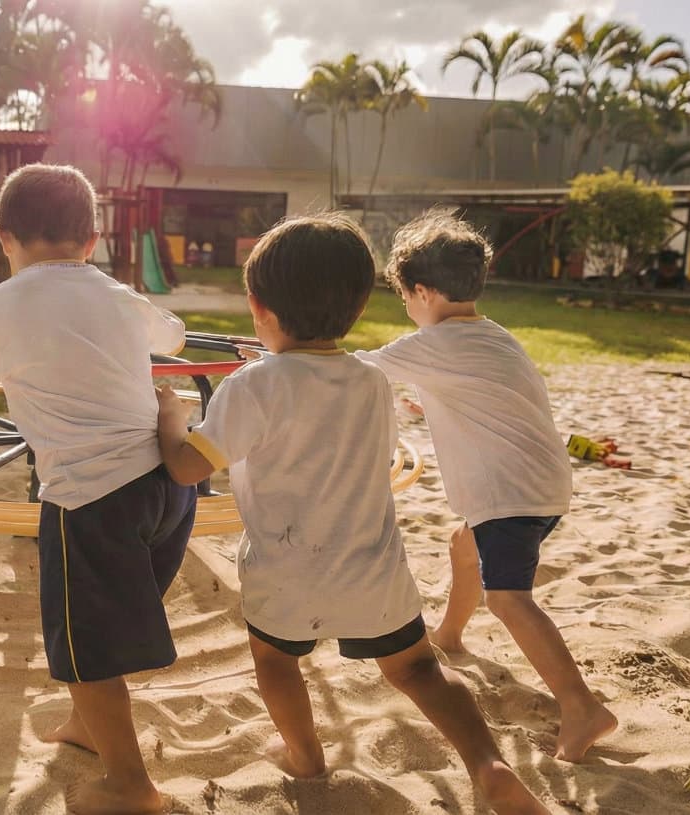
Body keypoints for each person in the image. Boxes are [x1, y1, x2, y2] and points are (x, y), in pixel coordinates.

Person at [155, 214, 549, 814]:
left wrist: (168, 421)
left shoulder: (250, 388)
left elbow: (187, 467)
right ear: (360, 309)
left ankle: (306, 758)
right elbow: (316, 390)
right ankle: (487, 764)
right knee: (419, 668)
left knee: (275, 660)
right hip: (373, 568)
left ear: (258, 307)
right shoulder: (369, 380)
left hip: (288, 570)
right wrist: (272, 359)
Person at [0, 163, 193, 815]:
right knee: (98, 628)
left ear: (3, 236)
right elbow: (174, 335)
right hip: (167, 489)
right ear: (92, 239)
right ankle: (82, 726)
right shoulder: (117, 294)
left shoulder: (2, 305)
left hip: (92, 499)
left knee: (88, 648)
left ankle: (132, 784)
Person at [356, 208, 617, 763]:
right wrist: (426, 403)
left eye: (403, 296)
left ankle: (581, 706)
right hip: (540, 482)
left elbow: (352, 367)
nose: (405, 307)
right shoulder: (491, 334)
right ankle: (449, 635)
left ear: (423, 292)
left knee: (509, 598)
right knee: (462, 546)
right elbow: (488, 395)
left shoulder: (432, 345)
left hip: (510, 494)